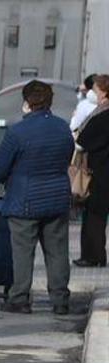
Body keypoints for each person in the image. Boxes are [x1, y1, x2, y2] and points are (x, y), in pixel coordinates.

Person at [0, 80, 73, 314]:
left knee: (23, 252)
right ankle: (60, 300)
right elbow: (67, 157)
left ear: (27, 102)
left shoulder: (18, 131)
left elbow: (0, 166)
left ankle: (19, 298)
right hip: (57, 198)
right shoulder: (62, 127)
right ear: (49, 101)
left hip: (24, 200)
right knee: (57, 251)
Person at [75, 75, 109, 267]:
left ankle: (93, 256)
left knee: (93, 216)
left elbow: (84, 140)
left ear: (103, 92)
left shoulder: (102, 116)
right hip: (102, 170)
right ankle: (93, 255)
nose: (92, 94)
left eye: (95, 90)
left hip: (98, 171)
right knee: (96, 215)